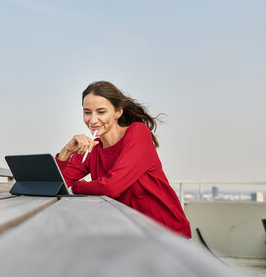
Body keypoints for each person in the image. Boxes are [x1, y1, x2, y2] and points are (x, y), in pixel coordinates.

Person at [55, 81, 191, 238]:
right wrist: (67, 151)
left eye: (101, 112)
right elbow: (55, 184)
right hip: (131, 232)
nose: (92, 120)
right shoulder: (91, 149)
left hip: (166, 232)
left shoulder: (138, 133)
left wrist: (78, 187)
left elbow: (112, 187)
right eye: (87, 112)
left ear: (118, 112)